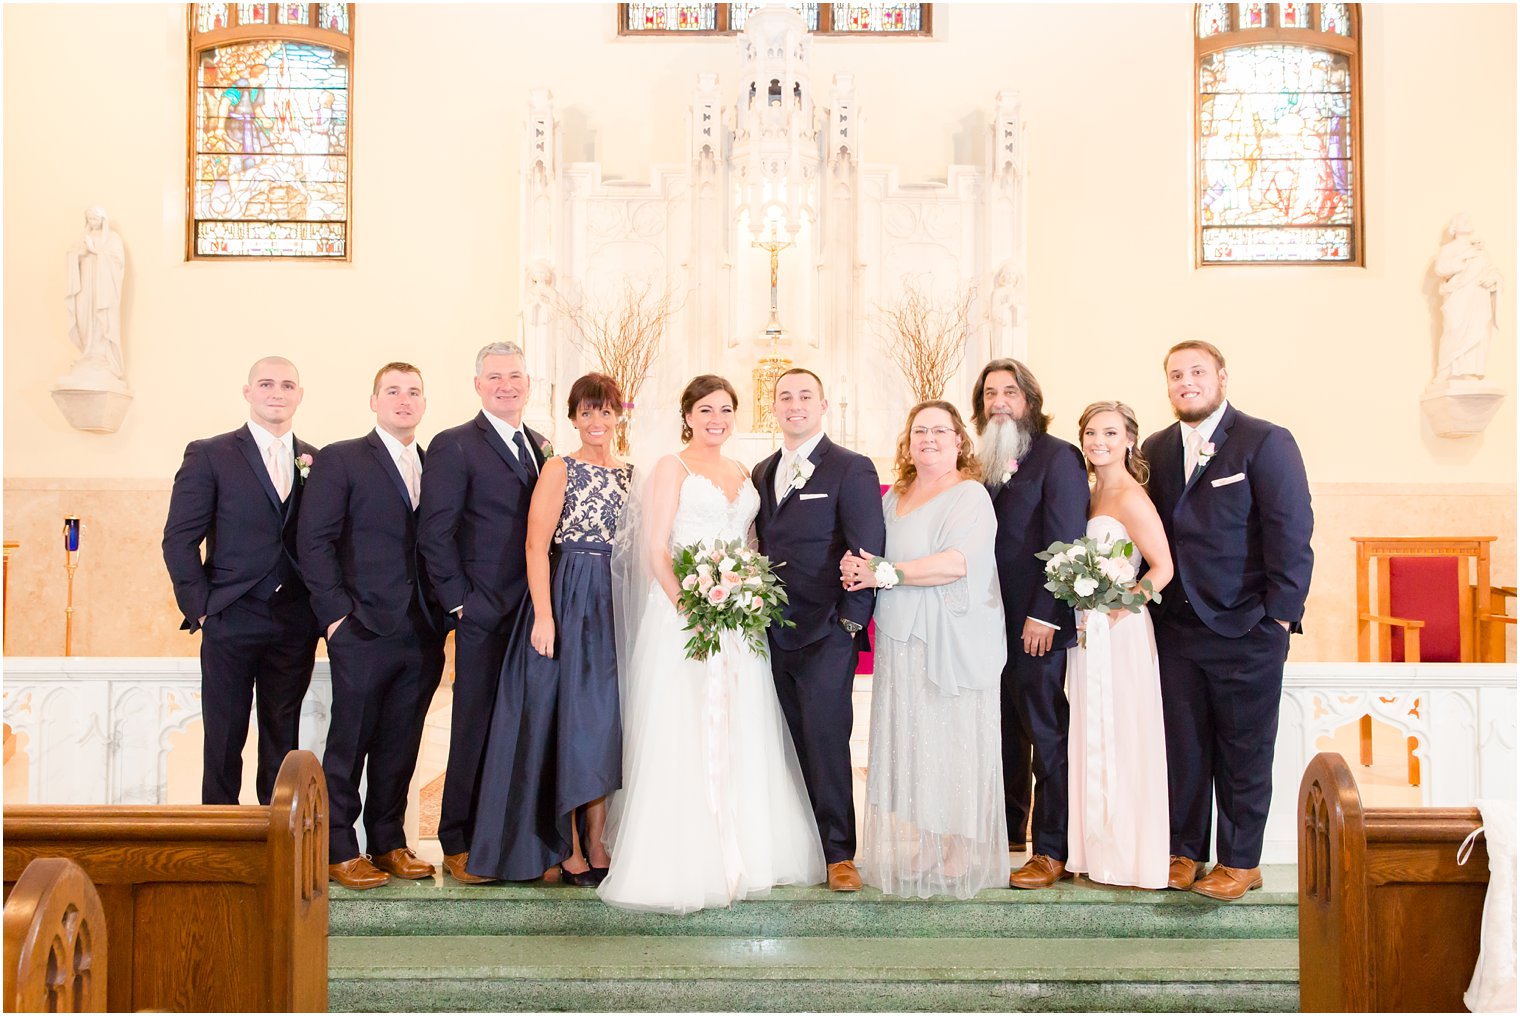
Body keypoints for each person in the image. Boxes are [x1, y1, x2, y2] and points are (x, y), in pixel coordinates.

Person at [598, 375, 825, 914]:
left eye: (725, 409)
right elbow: (655, 549)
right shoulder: (671, 469)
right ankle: (685, 856)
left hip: (737, 618)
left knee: (744, 724)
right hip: (684, 617)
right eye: (705, 410)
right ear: (688, 415)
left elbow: (748, 543)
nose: (716, 418)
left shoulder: (743, 471)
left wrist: (744, 589)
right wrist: (690, 608)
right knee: (686, 726)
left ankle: (749, 849)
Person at [1142, 341, 1313, 901]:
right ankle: (1185, 852)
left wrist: (1280, 619)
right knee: (1183, 748)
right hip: (1176, 629)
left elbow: (1291, 532)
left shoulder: (1266, 440)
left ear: (1221, 377)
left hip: (1247, 627)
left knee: (1244, 750)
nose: (1185, 382)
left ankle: (1241, 861)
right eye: (1175, 375)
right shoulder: (1155, 448)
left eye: (1197, 372)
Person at [468, 374, 632, 885]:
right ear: (573, 417)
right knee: (569, 721)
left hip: (614, 600)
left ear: (619, 416)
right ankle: (569, 844)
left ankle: (599, 837)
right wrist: (544, 615)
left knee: (607, 723)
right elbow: (536, 546)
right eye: (586, 412)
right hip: (569, 598)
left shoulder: (632, 474)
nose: (596, 422)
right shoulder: (559, 467)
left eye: (605, 412)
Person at [841, 401, 1008, 899]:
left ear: (960, 440)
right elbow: (874, 551)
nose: (929, 438)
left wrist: (885, 573)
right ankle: (930, 839)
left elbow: (958, 562)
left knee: (953, 736)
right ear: (907, 441)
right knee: (916, 738)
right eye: (919, 431)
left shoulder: (970, 495)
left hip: (949, 636)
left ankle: (959, 845)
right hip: (900, 634)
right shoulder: (896, 497)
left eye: (940, 430)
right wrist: (857, 566)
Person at [297, 363, 447, 889]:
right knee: (351, 738)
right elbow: (313, 540)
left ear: (424, 403)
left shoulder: (433, 464)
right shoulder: (343, 458)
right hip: (361, 625)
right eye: (393, 392)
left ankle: (387, 840)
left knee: (400, 741)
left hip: (422, 628)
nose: (404, 400)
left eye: (413, 392)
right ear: (374, 401)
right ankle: (339, 846)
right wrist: (336, 615)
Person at [162, 356, 320, 806]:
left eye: (287, 385)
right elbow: (178, 539)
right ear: (248, 393)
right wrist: (202, 609)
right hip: (230, 615)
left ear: (300, 395)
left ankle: (276, 841)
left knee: (282, 737)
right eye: (266, 384)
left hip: (294, 620)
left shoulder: (317, 459)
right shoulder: (210, 453)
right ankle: (221, 845)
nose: (277, 392)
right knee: (224, 737)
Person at [418, 341, 548, 884]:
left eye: (514, 376)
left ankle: (516, 839)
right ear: (477, 385)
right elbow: (435, 533)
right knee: (473, 726)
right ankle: (458, 838)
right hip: (483, 613)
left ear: (528, 382)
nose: (505, 385)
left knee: (524, 727)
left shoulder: (540, 446)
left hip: (534, 612)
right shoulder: (454, 445)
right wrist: (459, 604)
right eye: (494, 377)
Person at [752, 368, 886, 893]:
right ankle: (798, 845)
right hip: (768, 629)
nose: (795, 404)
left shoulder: (850, 468)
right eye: (785, 397)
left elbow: (867, 546)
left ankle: (838, 854)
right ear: (774, 407)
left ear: (823, 404)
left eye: (805, 396)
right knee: (782, 740)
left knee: (827, 738)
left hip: (828, 628)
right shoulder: (763, 471)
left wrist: (851, 621)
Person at [970, 359, 1088, 888]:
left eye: (1010, 392)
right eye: (991, 393)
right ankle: (1010, 831)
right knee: (1003, 731)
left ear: (1030, 401)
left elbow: (1067, 541)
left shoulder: (1058, 456)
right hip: (989, 622)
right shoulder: (983, 461)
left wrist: (1046, 610)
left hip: (1037, 621)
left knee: (1046, 731)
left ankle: (1053, 847)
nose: (999, 402)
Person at [1066, 401, 1172, 890]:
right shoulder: (1088, 494)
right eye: (1090, 432)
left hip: (1121, 633)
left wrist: (1119, 606)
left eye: (1109, 432)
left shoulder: (1131, 496)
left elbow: (1163, 569)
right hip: (1088, 635)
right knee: (1092, 731)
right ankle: (1095, 847)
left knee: (1124, 731)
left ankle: (1129, 853)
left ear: (1130, 438)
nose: (1097, 441)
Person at [63, 205, 126, 384]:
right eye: (89, 219)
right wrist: (79, 254)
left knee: (101, 320)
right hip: (85, 286)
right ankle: (88, 353)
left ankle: (102, 356)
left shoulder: (113, 239)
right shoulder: (84, 238)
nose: (93, 222)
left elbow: (118, 261)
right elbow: (72, 255)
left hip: (103, 289)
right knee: (84, 317)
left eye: (96, 219)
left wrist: (96, 252)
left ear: (103, 220)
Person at [1434, 214, 1502, 380]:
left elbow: (1493, 271)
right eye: (1464, 221)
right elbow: (1441, 269)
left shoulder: (1480, 250)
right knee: (1454, 328)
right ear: (1454, 228)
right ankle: (1447, 370)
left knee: (1476, 329)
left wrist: (1493, 279)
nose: (1468, 222)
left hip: (1478, 295)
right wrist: (1462, 260)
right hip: (1458, 295)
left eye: (1469, 220)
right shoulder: (1448, 249)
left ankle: (1470, 371)